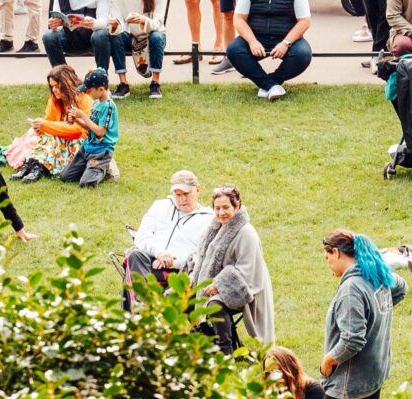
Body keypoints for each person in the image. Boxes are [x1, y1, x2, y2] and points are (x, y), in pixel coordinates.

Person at [317, 231, 400, 399]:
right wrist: (379, 315)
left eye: (327, 257)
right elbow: (400, 287)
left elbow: (352, 339)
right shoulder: (375, 275)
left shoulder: (351, 289)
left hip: (350, 382)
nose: (327, 263)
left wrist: (330, 360)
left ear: (337, 253)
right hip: (373, 374)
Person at [189, 182, 275, 350]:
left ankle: (225, 351)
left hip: (243, 288)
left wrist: (219, 285)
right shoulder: (214, 227)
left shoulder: (246, 233)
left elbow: (247, 270)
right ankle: (197, 345)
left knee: (215, 305)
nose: (221, 213)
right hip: (211, 285)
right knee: (180, 298)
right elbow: (201, 255)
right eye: (217, 208)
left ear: (238, 206)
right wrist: (193, 273)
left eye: (226, 207)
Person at [228, 0, 313, 98]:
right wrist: (252, 42)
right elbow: (239, 19)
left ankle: (271, 82)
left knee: (302, 54)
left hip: (286, 38)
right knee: (234, 50)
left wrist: (286, 43)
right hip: (257, 37)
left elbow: (304, 21)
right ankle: (270, 86)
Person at [122, 170, 212, 302]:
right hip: (149, 260)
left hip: (180, 270)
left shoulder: (209, 219)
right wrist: (159, 253)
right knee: (135, 256)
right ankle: (143, 309)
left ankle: (141, 314)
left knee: (133, 272)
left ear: (198, 190)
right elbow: (142, 235)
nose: (182, 199)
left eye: (186, 194)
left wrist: (171, 261)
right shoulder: (160, 206)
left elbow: (201, 254)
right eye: (177, 194)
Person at [45, 0, 121, 77]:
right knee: (49, 36)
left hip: (92, 36)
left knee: (101, 34)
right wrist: (55, 24)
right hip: (70, 36)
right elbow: (57, 19)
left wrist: (92, 23)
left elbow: (103, 21)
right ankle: (65, 78)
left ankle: (101, 78)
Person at [10, 65, 92, 182]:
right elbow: (49, 122)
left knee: (55, 137)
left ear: (67, 85)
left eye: (57, 86)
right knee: (41, 135)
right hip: (56, 142)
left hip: (79, 143)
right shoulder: (54, 100)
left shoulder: (84, 99)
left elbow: (78, 131)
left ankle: (36, 167)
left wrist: (46, 126)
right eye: (52, 86)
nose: (54, 90)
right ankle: (32, 165)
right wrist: (40, 128)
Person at [112, 0, 169, 98]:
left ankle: (155, 83)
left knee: (156, 36)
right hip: (130, 36)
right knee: (115, 36)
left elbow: (158, 23)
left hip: (152, 34)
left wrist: (143, 20)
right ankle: (123, 84)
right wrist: (115, 24)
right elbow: (118, 18)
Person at [72, 68, 121, 185]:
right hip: (88, 147)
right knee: (66, 176)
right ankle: (91, 166)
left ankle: (106, 166)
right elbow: (91, 128)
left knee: (86, 183)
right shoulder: (96, 103)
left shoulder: (109, 106)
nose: (86, 93)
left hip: (101, 150)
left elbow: (100, 132)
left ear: (101, 89)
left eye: (89, 91)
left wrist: (83, 116)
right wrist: (76, 120)